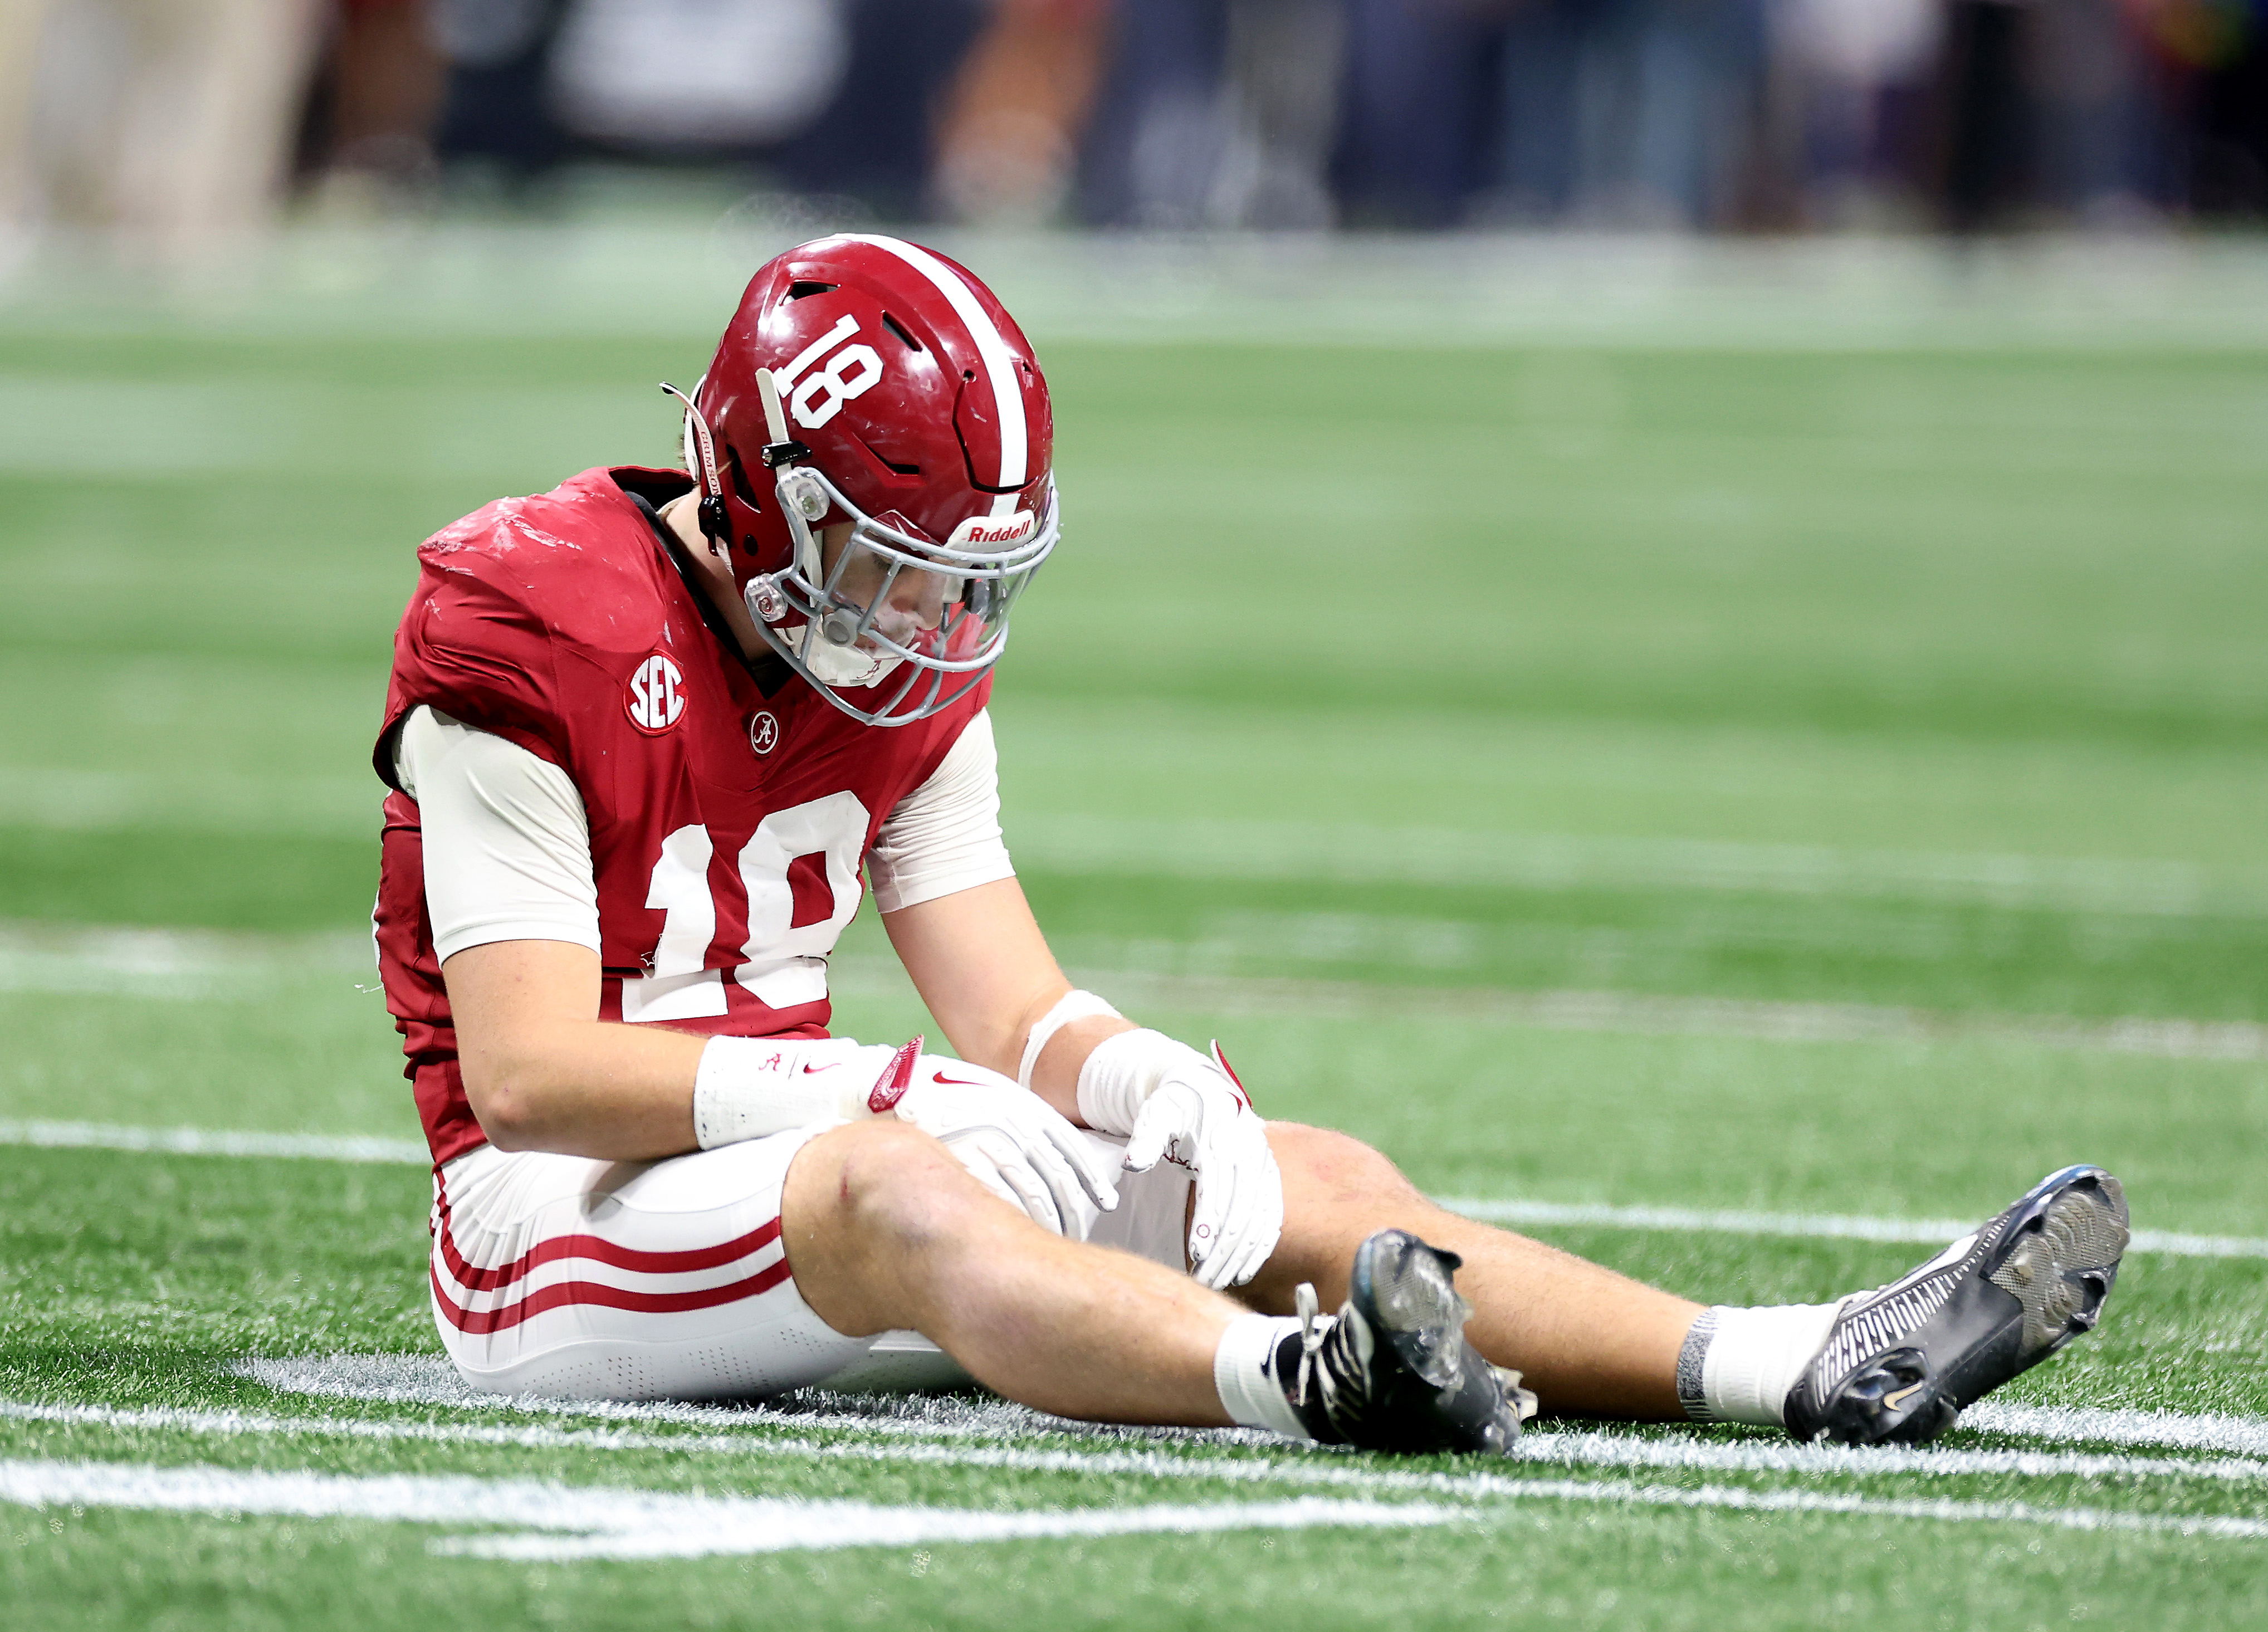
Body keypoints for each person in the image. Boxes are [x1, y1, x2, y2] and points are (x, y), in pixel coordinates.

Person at [372, 233, 2129, 1452]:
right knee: (888, 1179)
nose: (920, 615)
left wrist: (1133, 1075)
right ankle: (1305, 1381)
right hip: (552, 1233)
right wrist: (851, 1093)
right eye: (889, 561)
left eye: (955, 574)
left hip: (815, 1152)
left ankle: (1793, 1361)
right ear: (755, 485)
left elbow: (1010, 1009)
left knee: (1295, 1168)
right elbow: (527, 1076)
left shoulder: (898, 661)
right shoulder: (534, 621)